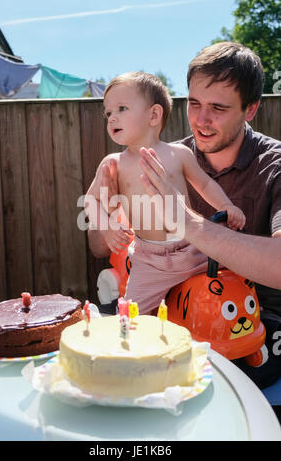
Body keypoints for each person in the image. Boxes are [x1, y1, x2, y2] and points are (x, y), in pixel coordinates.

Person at [138, 42, 281, 389]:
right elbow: (110, 245)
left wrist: (187, 221)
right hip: (179, 311)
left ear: (251, 109)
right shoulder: (171, 159)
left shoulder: (275, 166)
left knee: (221, 383)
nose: (202, 120)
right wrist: (106, 213)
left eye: (218, 108)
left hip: (256, 321)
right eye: (195, 104)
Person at [85, 71, 246, 315]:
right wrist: (105, 225)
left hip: (193, 246)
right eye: (108, 113)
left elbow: (205, 184)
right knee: (129, 319)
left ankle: (251, 314)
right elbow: (91, 199)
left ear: (153, 115)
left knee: (240, 264)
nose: (111, 118)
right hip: (150, 260)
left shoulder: (179, 153)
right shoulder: (114, 162)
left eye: (121, 109)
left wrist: (226, 205)